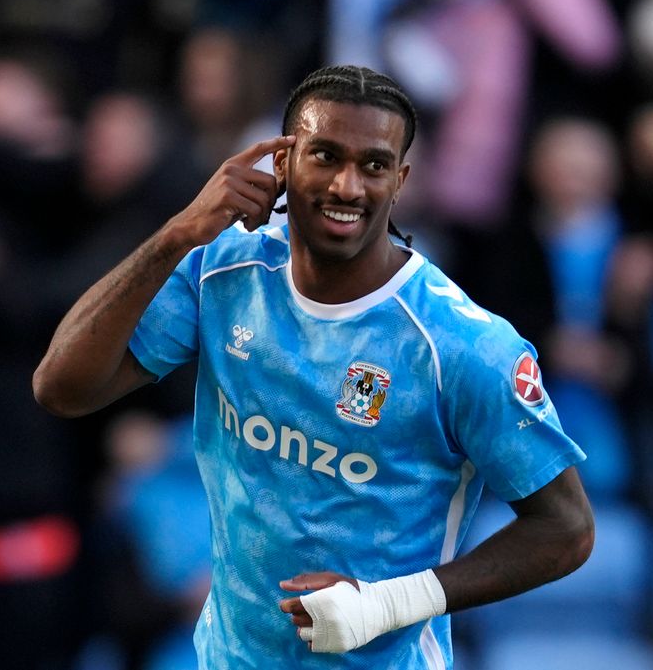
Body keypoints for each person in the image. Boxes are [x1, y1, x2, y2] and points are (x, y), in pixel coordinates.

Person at [34, 64, 594, 669]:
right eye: (324, 155)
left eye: (374, 165)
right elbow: (61, 388)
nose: (348, 186)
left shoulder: (460, 346)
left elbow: (565, 529)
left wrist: (386, 604)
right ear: (281, 163)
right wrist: (175, 236)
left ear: (399, 180)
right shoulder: (222, 272)